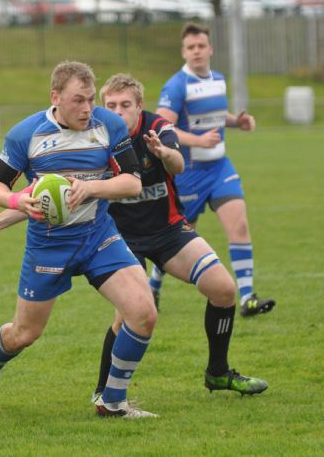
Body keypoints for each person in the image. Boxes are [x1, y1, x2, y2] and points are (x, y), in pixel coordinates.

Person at [0, 61, 158, 419]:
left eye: (90, 100)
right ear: (55, 98)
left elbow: (132, 182)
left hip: (98, 237)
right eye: (78, 101)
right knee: (24, 333)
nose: (87, 109)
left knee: (143, 312)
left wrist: (92, 187)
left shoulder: (108, 125)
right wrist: (12, 206)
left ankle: (112, 402)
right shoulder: (26, 135)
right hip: (48, 245)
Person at [92, 74, 267, 397]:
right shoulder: (95, 137)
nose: (118, 112)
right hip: (120, 238)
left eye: (125, 105)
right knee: (128, 313)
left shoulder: (157, 127)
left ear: (139, 106)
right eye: (111, 105)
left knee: (224, 289)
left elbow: (177, 166)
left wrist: (162, 153)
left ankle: (218, 372)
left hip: (168, 230)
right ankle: (104, 391)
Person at [149, 23, 275, 317]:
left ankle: (247, 298)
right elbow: (163, 129)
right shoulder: (176, 86)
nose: (196, 52)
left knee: (240, 225)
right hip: (188, 173)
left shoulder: (218, 79)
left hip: (219, 168)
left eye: (201, 46)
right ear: (184, 52)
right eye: (190, 47)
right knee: (178, 238)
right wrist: (198, 140)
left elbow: (215, 116)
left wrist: (236, 122)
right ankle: (154, 283)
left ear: (210, 49)